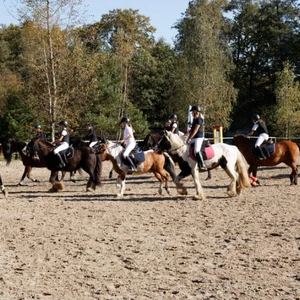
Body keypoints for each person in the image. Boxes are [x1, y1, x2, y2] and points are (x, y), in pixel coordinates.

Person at [186, 105, 207, 171]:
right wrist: (187, 137)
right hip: (194, 138)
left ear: (195, 111)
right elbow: (191, 130)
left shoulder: (199, 120)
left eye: (192, 111)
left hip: (199, 137)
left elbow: (195, 130)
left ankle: (202, 165)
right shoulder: (194, 120)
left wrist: (189, 138)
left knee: (196, 150)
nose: (191, 113)